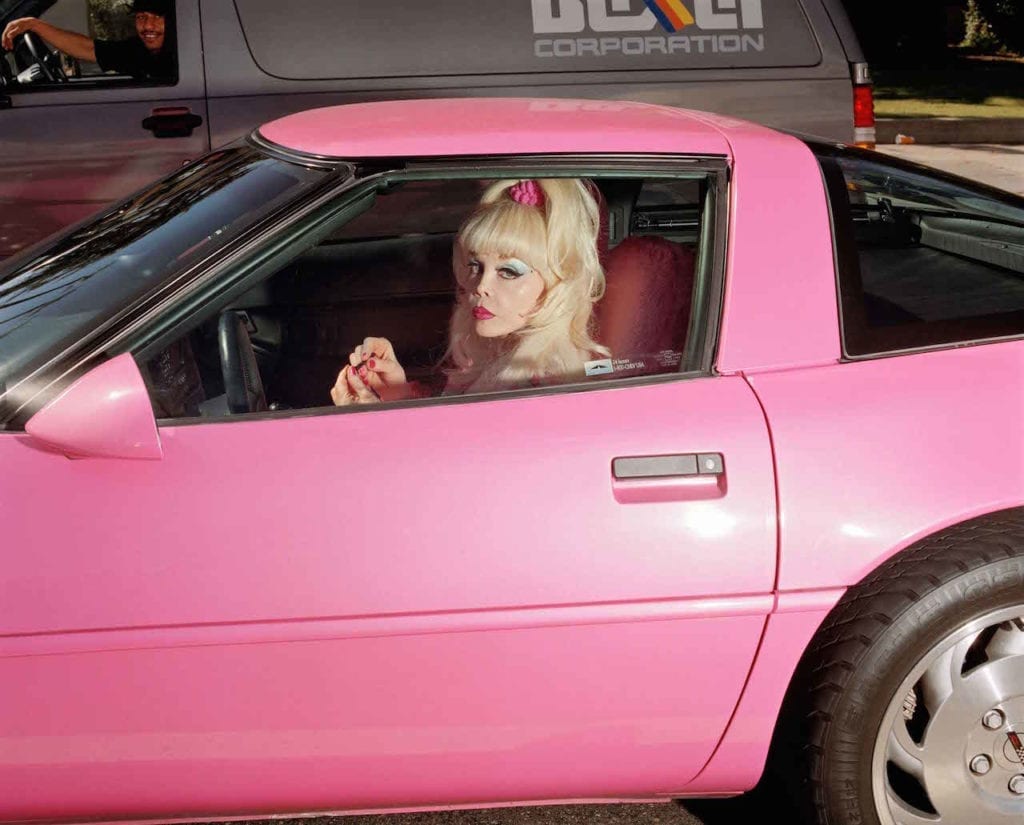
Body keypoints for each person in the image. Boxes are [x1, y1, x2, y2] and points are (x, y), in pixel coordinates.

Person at [331, 178, 609, 406]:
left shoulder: (542, 390)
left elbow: (447, 463)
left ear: (557, 284)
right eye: (475, 265)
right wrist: (398, 394)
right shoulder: (505, 358)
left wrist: (377, 423)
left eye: (508, 272)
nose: (480, 286)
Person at [1, 0, 175, 82]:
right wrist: (34, 24)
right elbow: (87, 48)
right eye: (141, 17)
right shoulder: (138, 51)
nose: (148, 26)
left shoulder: (189, 54)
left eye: (158, 17)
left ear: (176, 19)